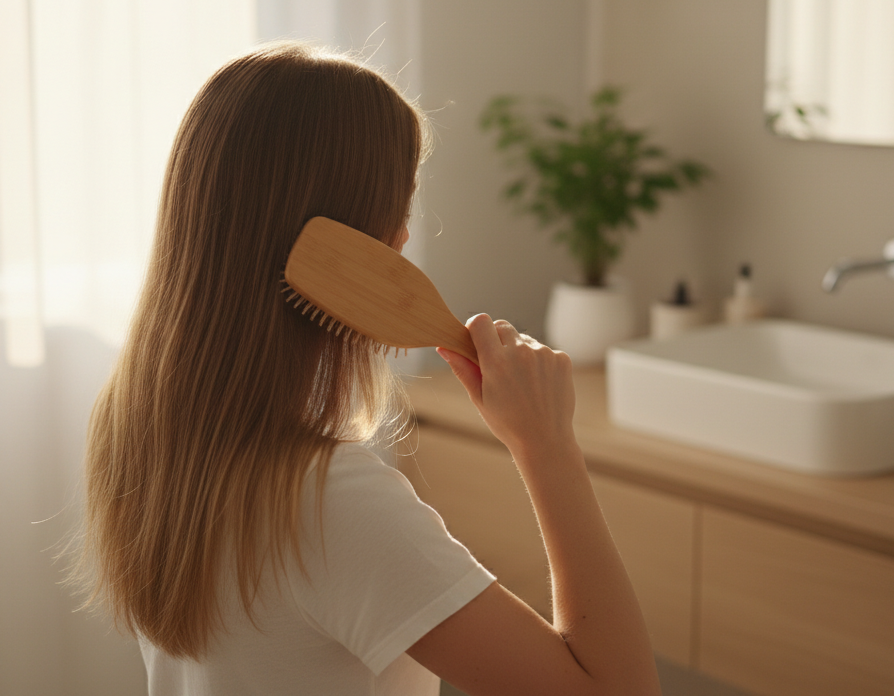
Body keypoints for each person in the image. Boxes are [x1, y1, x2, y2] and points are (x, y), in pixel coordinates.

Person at [74, 42, 661, 696]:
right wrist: (549, 447)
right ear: (361, 242)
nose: (407, 239)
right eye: (399, 210)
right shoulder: (330, 503)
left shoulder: (139, 429)